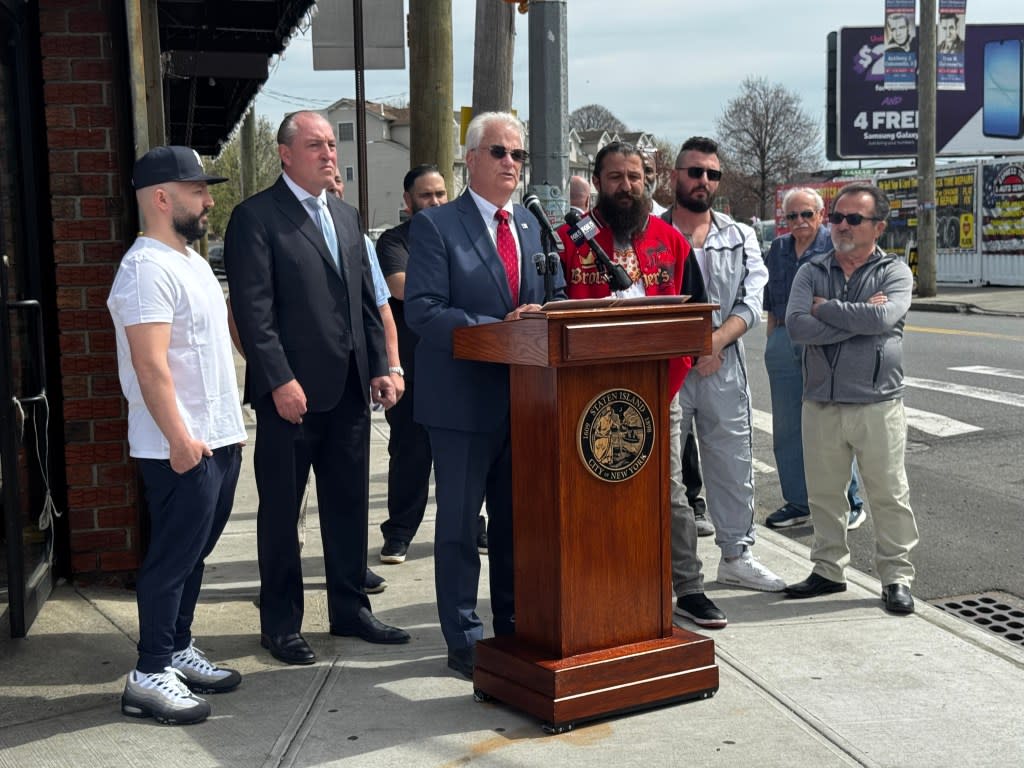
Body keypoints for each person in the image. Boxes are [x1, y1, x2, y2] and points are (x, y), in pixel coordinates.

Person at [224, 111, 409, 667]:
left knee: (348, 506)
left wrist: (381, 365)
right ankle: (280, 624)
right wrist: (278, 379)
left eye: (331, 144)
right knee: (282, 512)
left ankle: (350, 609)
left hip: (350, 392)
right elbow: (254, 314)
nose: (329, 154)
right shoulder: (256, 217)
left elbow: (365, 303)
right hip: (290, 398)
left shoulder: (347, 217)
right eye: (315, 145)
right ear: (285, 154)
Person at [404, 111, 566, 679]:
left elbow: (553, 302)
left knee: (516, 523)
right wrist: (500, 326)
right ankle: (463, 635)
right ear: (470, 159)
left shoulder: (532, 226)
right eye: (499, 152)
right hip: (462, 404)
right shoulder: (436, 226)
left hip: (526, 403)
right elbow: (423, 311)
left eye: (518, 156)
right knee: (458, 525)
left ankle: (514, 625)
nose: (510, 164)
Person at [556, 141, 722, 628]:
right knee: (589, 499)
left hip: (656, 396)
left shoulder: (671, 241)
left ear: (648, 179)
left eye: (634, 177)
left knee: (670, 495)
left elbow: (697, 317)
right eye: (615, 178)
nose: (626, 187)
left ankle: (689, 588)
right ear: (598, 181)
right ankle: (595, 589)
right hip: (583, 400)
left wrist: (679, 367)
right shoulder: (571, 241)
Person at [108, 145, 246, 725]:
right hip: (181, 447)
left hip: (218, 439)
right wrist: (182, 440)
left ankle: (177, 651)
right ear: (162, 198)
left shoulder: (188, 260)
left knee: (193, 556)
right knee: (170, 561)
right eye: (198, 190)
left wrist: (224, 435)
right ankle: (148, 674)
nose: (209, 199)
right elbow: (150, 366)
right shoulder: (144, 270)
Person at [783, 183, 918, 615]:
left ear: (877, 226)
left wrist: (827, 308)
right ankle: (828, 570)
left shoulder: (895, 272)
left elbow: (884, 316)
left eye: (853, 219)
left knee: (888, 493)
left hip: (877, 401)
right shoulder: (811, 270)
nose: (841, 225)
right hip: (820, 399)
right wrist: (857, 317)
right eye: (837, 217)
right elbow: (797, 327)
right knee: (824, 493)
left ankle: (896, 577)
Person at [663, 136, 785, 592]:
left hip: (722, 365)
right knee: (660, 472)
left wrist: (711, 343)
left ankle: (736, 555)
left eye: (712, 174)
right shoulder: (651, 231)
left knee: (732, 461)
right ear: (675, 175)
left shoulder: (740, 235)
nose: (703, 181)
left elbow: (752, 299)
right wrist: (686, 350)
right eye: (695, 171)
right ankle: (661, 562)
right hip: (665, 369)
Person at [762, 188, 866, 532]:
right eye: (792, 216)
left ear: (821, 215)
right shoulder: (778, 249)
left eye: (806, 214)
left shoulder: (835, 246)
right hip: (783, 339)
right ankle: (797, 501)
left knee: (830, 425)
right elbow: (771, 296)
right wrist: (773, 338)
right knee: (788, 428)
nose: (799, 222)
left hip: (822, 343)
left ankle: (849, 501)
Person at [375, 164, 449, 565]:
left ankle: (471, 525)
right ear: (408, 202)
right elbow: (398, 285)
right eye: (426, 195)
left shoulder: (460, 236)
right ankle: (400, 533)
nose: (435, 201)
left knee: (460, 456)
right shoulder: (393, 241)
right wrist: (452, 283)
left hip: (458, 365)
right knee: (411, 453)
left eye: (440, 194)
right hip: (413, 369)